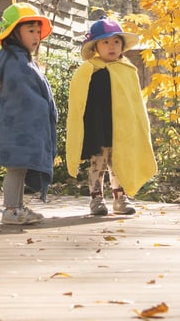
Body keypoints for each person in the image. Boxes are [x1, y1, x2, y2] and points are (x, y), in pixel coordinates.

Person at [66, 16, 157, 216]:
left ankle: (120, 198)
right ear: (96, 46)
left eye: (116, 41)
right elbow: (79, 102)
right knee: (97, 163)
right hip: (96, 126)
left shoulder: (128, 70)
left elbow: (134, 103)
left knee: (120, 162)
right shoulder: (87, 70)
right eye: (105, 42)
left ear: (122, 46)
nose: (111, 46)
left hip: (121, 127)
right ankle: (96, 199)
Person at [0, 1, 58, 225]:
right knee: (16, 169)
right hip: (17, 128)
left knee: (19, 168)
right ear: (15, 33)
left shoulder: (19, 59)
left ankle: (17, 207)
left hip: (19, 128)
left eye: (38, 31)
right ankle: (11, 210)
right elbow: (23, 97)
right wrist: (43, 110)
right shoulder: (17, 62)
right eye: (30, 30)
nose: (36, 36)